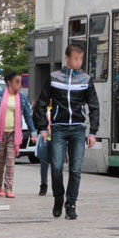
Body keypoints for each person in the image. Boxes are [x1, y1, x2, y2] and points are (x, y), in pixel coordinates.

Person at [33, 44, 99, 220]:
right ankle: (58, 198)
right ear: (67, 58)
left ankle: (71, 204)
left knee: (75, 169)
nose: (79, 62)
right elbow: (41, 103)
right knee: (56, 167)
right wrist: (41, 128)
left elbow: (94, 106)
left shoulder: (86, 79)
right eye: (76, 58)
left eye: (81, 59)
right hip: (59, 128)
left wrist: (93, 132)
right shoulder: (54, 78)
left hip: (78, 129)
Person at [0, 71, 37, 198]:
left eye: (21, 82)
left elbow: (28, 116)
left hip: (14, 134)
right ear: (9, 82)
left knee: (10, 162)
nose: (20, 84)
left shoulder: (22, 98)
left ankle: (8, 188)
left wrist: (33, 132)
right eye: (17, 81)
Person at [36, 108, 52, 196]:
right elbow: (37, 119)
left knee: (56, 164)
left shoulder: (59, 104)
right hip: (44, 139)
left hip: (57, 138)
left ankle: (56, 184)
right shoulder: (42, 108)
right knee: (44, 164)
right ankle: (43, 184)